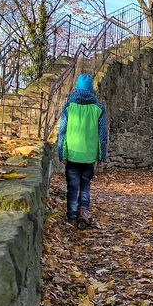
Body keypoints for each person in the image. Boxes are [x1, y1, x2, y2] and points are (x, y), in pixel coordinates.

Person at [57, 73, 108, 227]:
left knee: (72, 187)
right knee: (85, 185)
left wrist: (61, 153)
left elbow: (62, 132)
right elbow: (102, 135)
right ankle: (83, 212)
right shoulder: (99, 109)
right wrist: (101, 157)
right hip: (89, 156)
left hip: (72, 154)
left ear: (77, 89)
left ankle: (71, 217)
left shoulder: (69, 107)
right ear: (91, 89)